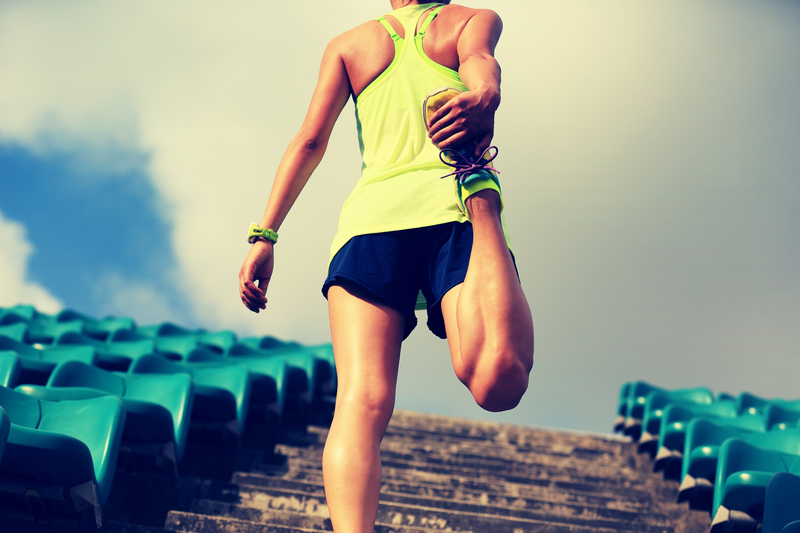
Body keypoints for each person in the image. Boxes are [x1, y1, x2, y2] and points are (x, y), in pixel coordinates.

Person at [238, 1, 534, 532]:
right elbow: (479, 65)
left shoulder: (358, 44)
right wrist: (485, 95)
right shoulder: (461, 22)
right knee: (401, 393)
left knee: (477, 386)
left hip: (390, 223)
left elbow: (311, 140)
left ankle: (480, 194)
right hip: (447, 213)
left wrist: (266, 233)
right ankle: (481, 189)